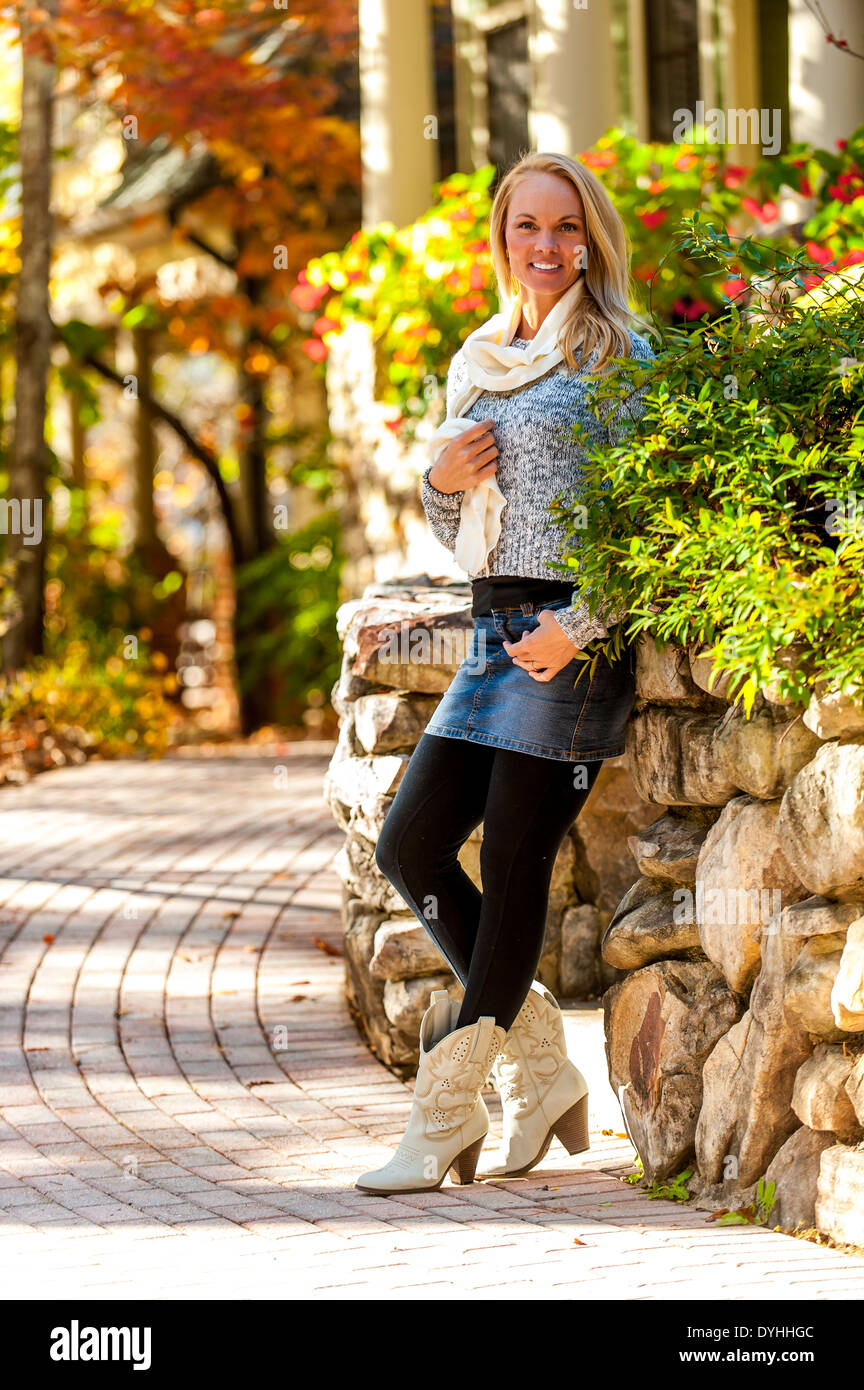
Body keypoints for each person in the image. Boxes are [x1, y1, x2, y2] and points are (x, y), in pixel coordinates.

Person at [355, 150, 656, 1196]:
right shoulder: (478, 358)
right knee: (412, 842)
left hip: (568, 635)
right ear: (502, 235)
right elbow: (457, 529)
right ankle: (541, 1068)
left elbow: (652, 523)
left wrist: (584, 624)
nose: (547, 247)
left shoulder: (619, 354)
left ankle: (444, 1117)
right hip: (493, 629)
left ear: (593, 237)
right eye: (528, 226)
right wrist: (436, 478)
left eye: (567, 227)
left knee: (518, 866)